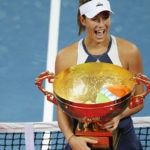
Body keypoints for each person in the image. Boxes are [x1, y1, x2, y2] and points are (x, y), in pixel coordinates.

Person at [55, 0, 144, 149]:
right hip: (82, 140)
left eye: (105, 17)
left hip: (122, 138)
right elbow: (61, 107)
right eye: (95, 19)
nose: (101, 25)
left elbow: (139, 100)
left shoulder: (130, 52)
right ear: (83, 20)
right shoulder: (65, 57)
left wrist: (118, 115)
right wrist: (71, 139)